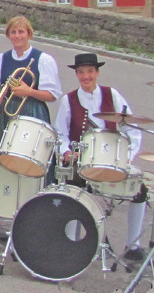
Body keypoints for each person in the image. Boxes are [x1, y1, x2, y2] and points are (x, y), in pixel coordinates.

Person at [54, 53, 146, 261]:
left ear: (97, 72)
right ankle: (71, 241)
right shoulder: (68, 100)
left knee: (140, 190)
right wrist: (67, 152)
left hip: (113, 161)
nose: (86, 76)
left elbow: (132, 128)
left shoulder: (112, 95)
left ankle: (133, 245)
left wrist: (127, 156)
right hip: (83, 161)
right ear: (76, 74)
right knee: (73, 188)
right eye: (81, 72)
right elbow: (60, 133)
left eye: (90, 72)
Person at [0, 16, 61, 153]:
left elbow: (52, 95)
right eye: (13, 32)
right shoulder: (0, 59)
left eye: (21, 32)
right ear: (8, 35)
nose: (17, 36)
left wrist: (29, 91)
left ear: (29, 34)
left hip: (33, 113)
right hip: (5, 114)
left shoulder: (44, 60)